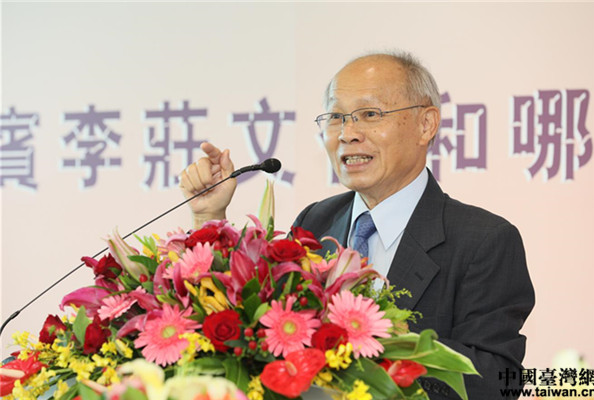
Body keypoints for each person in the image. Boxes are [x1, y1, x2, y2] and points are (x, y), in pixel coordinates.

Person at [179, 52, 535, 400]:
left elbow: (494, 380)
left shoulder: (484, 241)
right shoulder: (314, 222)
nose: (347, 133)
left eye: (370, 114)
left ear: (426, 124)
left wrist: (368, 347)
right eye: (336, 117)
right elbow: (252, 331)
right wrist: (209, 217)